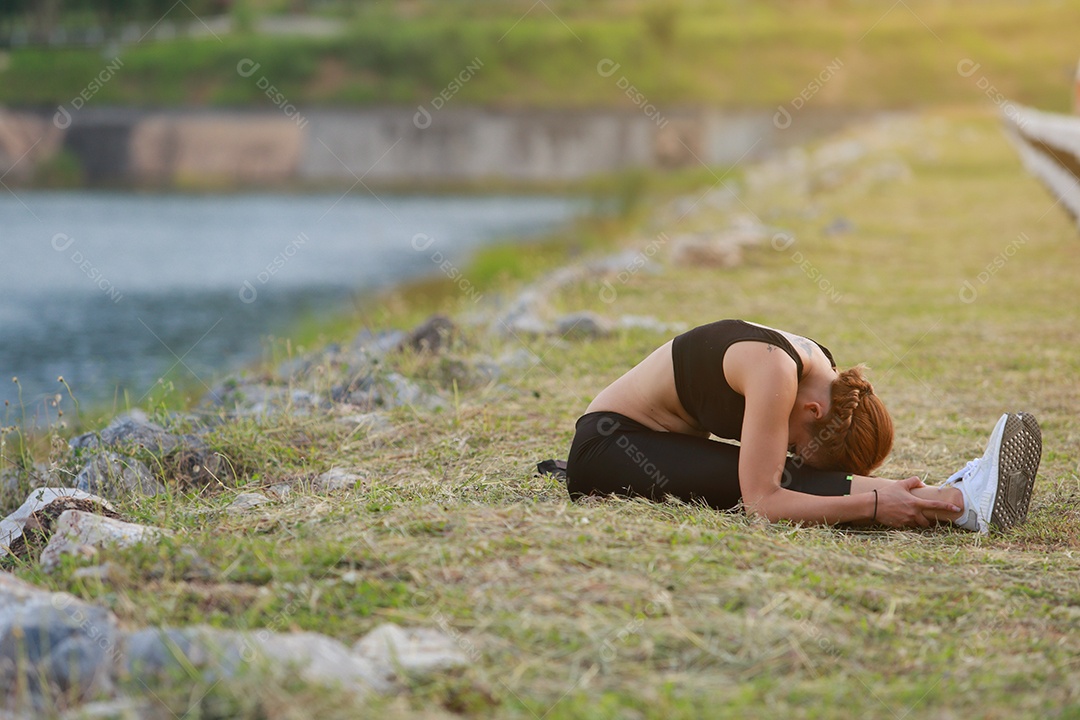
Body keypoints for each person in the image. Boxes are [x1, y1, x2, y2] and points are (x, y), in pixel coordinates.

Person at [565, 319, 1042, 532]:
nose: (791, 451)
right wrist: (874, 505)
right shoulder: (775, 370)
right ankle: (959, 504)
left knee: (791, 479)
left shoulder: (819, 371)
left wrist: (866, 496)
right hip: (610, 447)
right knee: (784, 481)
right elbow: (763, 503)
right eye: (798, 446)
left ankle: (954, 499)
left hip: (658, 444)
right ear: (815, 413)